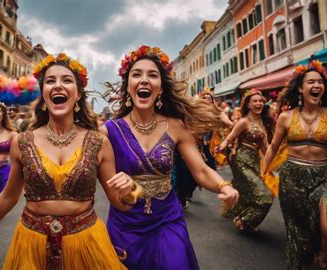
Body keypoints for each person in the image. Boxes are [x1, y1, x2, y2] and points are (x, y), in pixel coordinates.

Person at [0, 53, 137, 269]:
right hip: (31, 244)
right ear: (44, 94)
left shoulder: (98, 142)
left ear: (77, 95)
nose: (57, 86)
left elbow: (120, 202)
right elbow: (9, 196)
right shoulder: (21, 142)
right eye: (50, 81)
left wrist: (130, 190)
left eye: (66, 80)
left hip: (86, 245)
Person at [102, 45, 239, 269]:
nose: (144, 80)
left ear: (161, 87)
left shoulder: (175, 126)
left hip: (167, 219)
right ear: (128, 85)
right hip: (125, 224)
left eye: (152, 75)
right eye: (137, 74)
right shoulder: (109, 131)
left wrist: (224, 185)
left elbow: (201, 170)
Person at [262, 60, 327, 269]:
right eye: (311, 82)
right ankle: (312, 259)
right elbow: (272, 147)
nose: (317, 86)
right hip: (293, 179)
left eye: (320, 82)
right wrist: (263, 171)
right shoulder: (286, 117)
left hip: (325, 178)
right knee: (299, 234)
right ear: (300, 87)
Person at [216, 89, 275, 233]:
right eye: (255, 101)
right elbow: (230, 137)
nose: (259, 103)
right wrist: (221, 146)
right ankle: (244, 219)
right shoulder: (243, 121)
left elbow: (265, 147)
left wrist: (273, 164)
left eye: (261, 101)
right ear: (248, 105)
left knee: (247, 190)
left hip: (254, 160)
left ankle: (237, 212)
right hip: (240, 160)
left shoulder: (263, 122)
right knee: (265, 196)